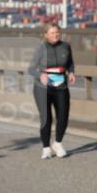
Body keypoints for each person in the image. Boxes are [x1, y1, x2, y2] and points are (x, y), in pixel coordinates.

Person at [28, 22, 76, 159]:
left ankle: (58, 143)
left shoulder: (66, 46)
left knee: (63, 116)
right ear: (46, 35)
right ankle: (46, 148)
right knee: (46, 118)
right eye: (52, 33)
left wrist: (71, 72)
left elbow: (70, 63)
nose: (55, 35)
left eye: (57, 32)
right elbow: (31, 69)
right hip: (42, 88)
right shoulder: (40, 49)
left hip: (61, 86)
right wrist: (40, 75)